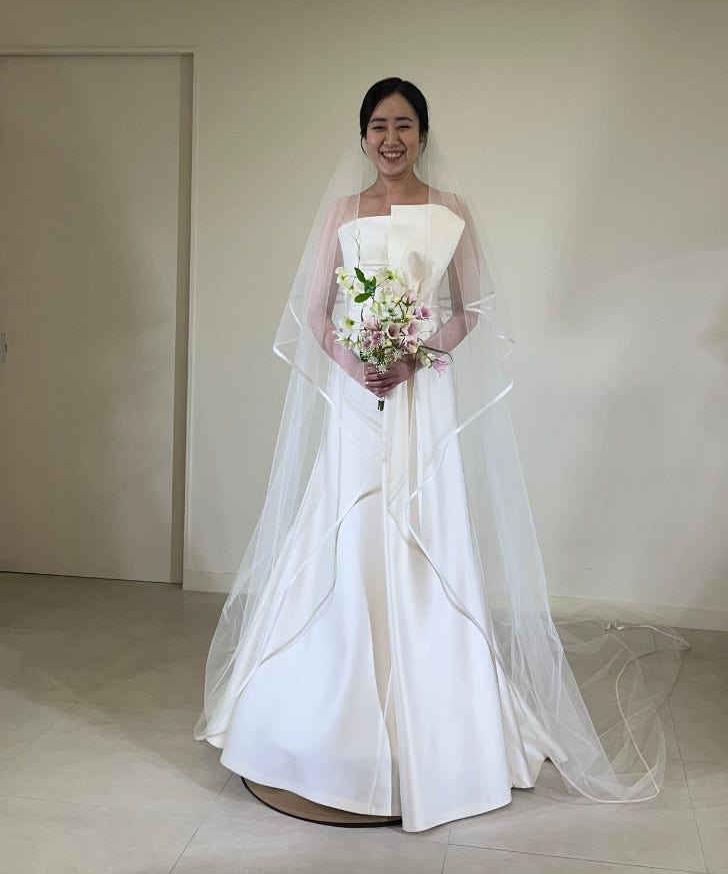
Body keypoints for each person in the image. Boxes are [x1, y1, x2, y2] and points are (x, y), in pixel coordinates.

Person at [195, 78, 686, 833]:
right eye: (378, 125)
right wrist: (356, 361)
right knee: (347, 526)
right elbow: (315, 311)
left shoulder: (450, 210)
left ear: (423, 134)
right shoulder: (341, 211)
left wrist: (414, 355)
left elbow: (472, 310)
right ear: (363, 136)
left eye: (404, 125)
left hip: (421, 391)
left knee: (422, 527)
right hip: (357, 395)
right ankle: (323, 717)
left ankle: (440, 724)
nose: (391, 138)